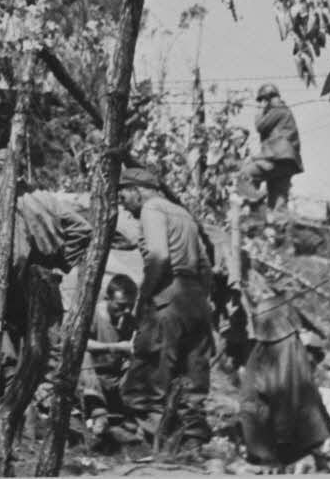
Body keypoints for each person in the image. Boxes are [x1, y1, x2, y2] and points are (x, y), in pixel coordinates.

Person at [118, 164, 214, 448]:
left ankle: (150, 443)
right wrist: (199, 297)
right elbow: (206, 264)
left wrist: (145, 296)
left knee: (150, 371)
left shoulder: (152, 209)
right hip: (196, 298)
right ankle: (190, 443)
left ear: (138, 190)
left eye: (124, 197)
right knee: (192, 376)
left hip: (168, 295)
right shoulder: (183, 213)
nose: (125, 208)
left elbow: (159, 255)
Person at [236, 281, 330, 470]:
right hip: (271, 440)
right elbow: (287, 396)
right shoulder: (286, 348)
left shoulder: (261, 351)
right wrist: (284, 437)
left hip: (263, 439)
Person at [80, 274, 138, 442]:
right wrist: (116, 347)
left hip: (115, 378)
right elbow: (81, 344)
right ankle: (99, 414)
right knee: (83, 356)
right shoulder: (93, 314)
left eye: (130, 306)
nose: (126, 310)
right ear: (108, 299)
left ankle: (131, 414)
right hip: (92, 377)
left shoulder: (129, 320)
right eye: (120, 305)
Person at [239, 83, 304, 216]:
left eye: (264, 100)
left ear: (266, 99)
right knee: (278, 204)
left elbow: (260, 126)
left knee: (245, 174)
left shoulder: (278, 110)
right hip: (288, 163)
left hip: (278, 158)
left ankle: (251, 208)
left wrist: (260, 109)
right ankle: (279, 230)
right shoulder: (284, 111)